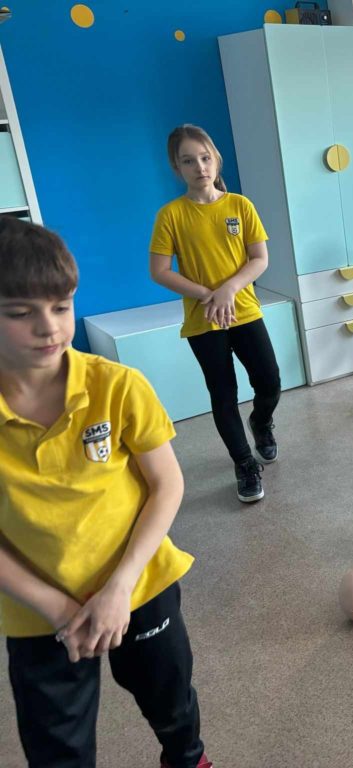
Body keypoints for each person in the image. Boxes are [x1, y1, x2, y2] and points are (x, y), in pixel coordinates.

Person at [0, 219, 210, 768]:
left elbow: (167, 483)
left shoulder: (117, 386)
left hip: (140, 583)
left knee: (172, 702)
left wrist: (120, 587)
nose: (49, 327)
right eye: (20, 313)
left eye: (62, 306)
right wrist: (57, 608)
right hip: (36, 610)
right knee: (57, 747)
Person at [149, 124, 281, 504]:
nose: (199, 167)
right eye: (188, 161)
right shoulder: (171, 215)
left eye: (205, 158)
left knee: (270, 382)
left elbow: (259, 258)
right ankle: (244, 464)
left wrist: (229, 289)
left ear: (216, 159)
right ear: (177, 167)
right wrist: (208, 295)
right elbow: (159, 271)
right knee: (223, 395)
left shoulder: (240, 205)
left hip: (244, 311)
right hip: (203, 320)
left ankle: (261, 422)